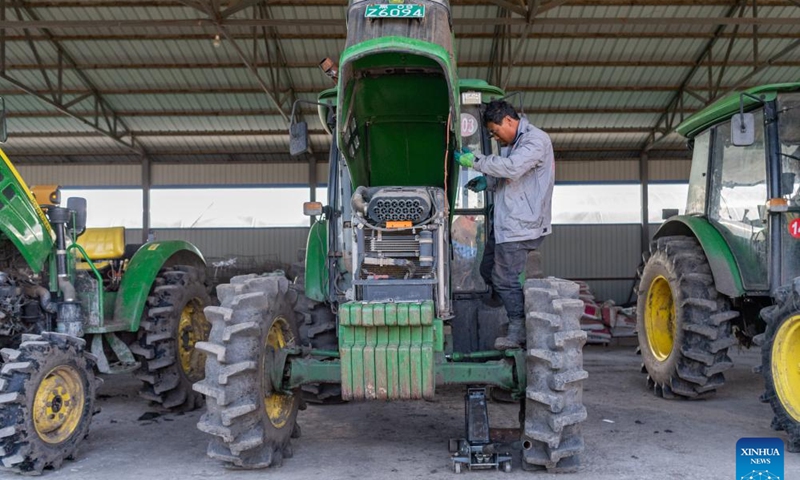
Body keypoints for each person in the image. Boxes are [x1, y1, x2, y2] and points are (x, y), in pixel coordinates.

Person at [453, 100, 555, 350]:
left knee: (504, 278)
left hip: (521, 225)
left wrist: (475, 161)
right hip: (505, 223)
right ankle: (513, 306)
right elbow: (510, 180)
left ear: (509, 120)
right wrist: (487, 183)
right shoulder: (513, 144)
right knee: (488, 271)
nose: (495, 136)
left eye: (495, 131)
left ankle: (519, 326)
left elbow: (511, 169)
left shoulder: (535, 141)